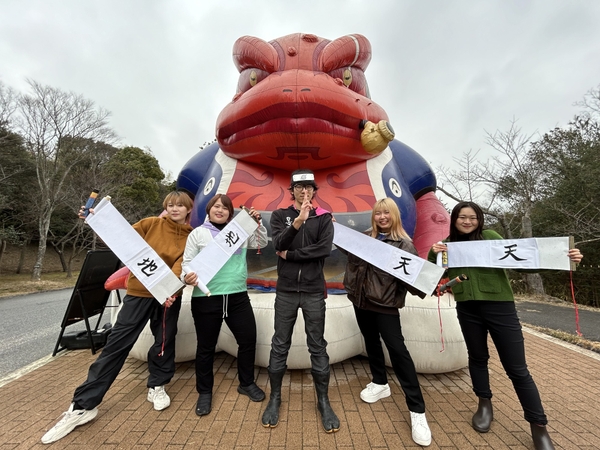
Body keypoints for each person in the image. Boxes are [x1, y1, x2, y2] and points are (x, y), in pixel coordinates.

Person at [41, 191, 194, 444]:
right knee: (117, 344)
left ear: (189, 209)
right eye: (170, 204)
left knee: (164, 342)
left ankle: (157, 385)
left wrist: (172, 291)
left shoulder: (191, 236)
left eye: (180, 205)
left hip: (167, 296)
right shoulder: (150, 224)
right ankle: (83, 405)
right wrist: (98, 219)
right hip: (138, 293)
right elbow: (119, 238)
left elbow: (182, 265)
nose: (174, 208)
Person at [428, 201, 583, 450]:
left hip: (500, 307)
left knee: (517, 368)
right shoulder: (448, 244)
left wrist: (564, 257)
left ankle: (539, 425)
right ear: (454, 219)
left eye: (473, 217)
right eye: (462, 217)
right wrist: (433, 253)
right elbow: (435, 272)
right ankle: (484, 404)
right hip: (467, 308)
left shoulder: (490, 237)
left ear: (480, 220)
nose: (467, 222)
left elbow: (523, 259)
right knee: (477, 358)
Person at [341, 198, 432, 447]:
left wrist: (433, 283)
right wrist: (331, 227)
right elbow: (345, 248)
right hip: (360, 301)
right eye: (378, 213)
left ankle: (417, 411)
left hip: (386, 306)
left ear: (394, 216)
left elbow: (415, 281)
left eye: (386, 213)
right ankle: (380, 382)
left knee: (398, 351)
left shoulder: (404, 245)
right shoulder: (364, 238)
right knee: (371, 342)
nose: (382, 217)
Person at [262, 168, 340, 433]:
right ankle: (275, 398)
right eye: (299, 187)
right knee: (279, 344)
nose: (304, 191)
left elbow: (323, 249)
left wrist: (292, 255)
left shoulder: (324, 218)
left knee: (317, 345)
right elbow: (278, 244)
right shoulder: (280, 215)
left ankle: (323, 401)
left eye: (308, 187)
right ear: (292, 190)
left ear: (314, 191)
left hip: (313, 291)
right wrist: (297, 222)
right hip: (285, 290)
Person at [181, 194, 267, 416]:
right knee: (206, 347)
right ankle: (204, 392)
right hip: (206, 298)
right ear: (209, 210)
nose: (220, 210)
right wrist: (187, 277)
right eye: (216, 206)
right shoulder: (198, 234)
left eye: (225, 208)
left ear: (230, 213)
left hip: (238, 296)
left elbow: (261, 242)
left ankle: (246, 383)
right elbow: (186, 265)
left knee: (247, 340)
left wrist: (257, 223)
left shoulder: (239, 231)